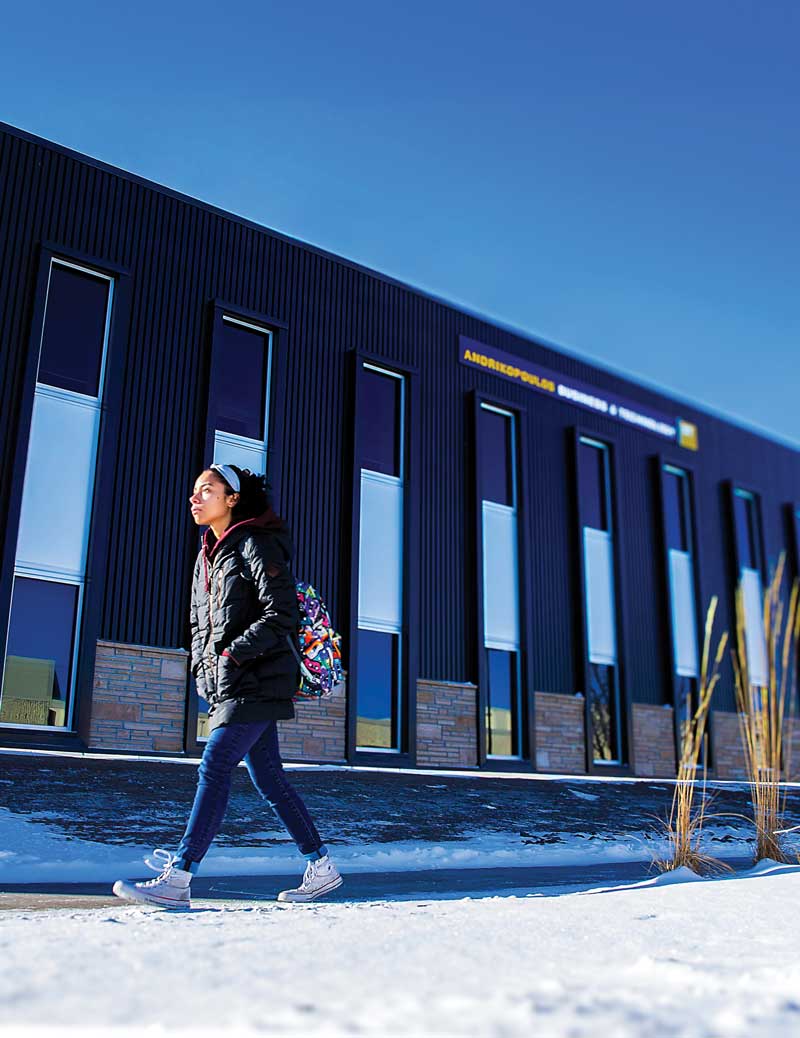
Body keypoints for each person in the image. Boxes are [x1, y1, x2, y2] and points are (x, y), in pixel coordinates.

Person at [112, 463, 342, 908]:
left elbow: (281, 615)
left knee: (214, 766)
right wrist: (205, 670)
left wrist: (231, 654)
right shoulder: (208, 555)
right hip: (230, 681)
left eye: (207, 490)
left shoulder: (257, 542)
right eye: (194, 491)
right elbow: (201, 623)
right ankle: (322, 866)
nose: (195, 498)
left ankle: (179, 877)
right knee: (269, 778)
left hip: (256, 678)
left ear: (232, 498)